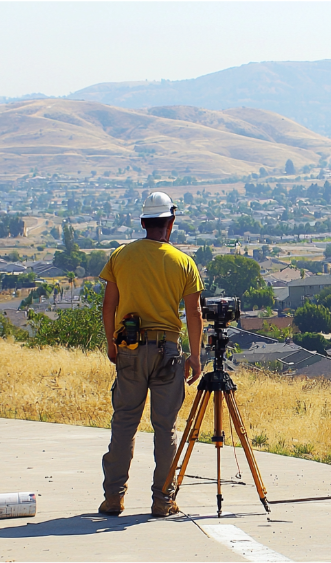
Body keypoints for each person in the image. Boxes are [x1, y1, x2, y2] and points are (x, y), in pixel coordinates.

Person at [97, 192, 204, 518]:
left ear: (143, 222)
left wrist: (111, 344)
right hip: (168, 352)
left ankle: (114, 497)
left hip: (129, 349)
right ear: (170, 223)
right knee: (165, 429)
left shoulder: (120, 256)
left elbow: (109, 306)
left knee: (124, 424)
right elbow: (195, 313)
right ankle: (163, 500)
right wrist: (196, 358)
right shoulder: (183, 262)